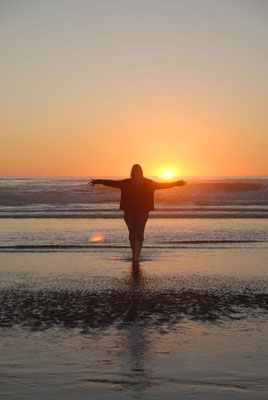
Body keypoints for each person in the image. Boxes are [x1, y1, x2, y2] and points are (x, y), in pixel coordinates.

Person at [89, 164, 186, 263]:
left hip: (143, 211)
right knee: (132, 233)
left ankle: (136, 256)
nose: (136, 171)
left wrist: (176, 183)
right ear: (132, 171)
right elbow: (112, 183)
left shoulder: (148, 183)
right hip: (129, 211)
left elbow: (162, 185)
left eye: (138, 169)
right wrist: (98, 181)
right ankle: (134, 253)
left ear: (141, 171)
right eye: (134, 170)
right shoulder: (126, 183)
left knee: (139, 231)